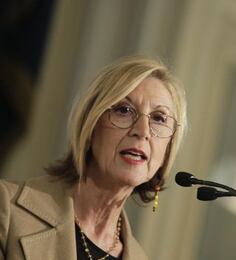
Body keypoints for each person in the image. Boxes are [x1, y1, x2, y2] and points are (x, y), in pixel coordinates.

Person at [0, 56, 187, 260]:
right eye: (124, 110)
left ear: (167, 150)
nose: (142, 131)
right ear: (91, 125)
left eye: (159, 118)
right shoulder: (8, 208)